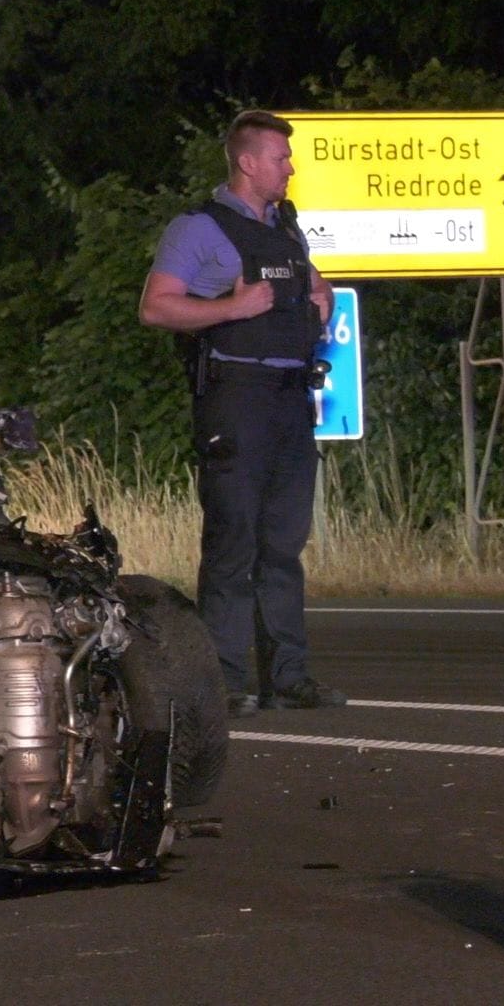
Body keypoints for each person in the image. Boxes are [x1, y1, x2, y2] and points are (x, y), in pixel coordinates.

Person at [137, 109, 347, 718]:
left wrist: (321, 293)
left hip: (290, 401)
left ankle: (288, 678)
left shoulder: (285, 226)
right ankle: (224, 684)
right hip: (235, 398)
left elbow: (311, 284)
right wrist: (232, 308)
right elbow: (155, 308)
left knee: (283, 545)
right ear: (248, 162)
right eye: (281, 158)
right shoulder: (198, 229)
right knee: (233, 543)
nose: (289, 167)